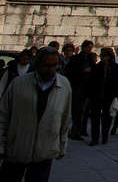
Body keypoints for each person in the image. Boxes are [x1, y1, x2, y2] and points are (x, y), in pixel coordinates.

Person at [0, 47, 71, 182]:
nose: (50, 69)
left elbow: (65, 118)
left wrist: (62, 145)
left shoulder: (64, 86)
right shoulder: (18, 84)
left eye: (54, 65)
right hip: (16, 149)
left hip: (44, 152)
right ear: (37, 64)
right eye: (46, 65)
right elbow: (3, 115)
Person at [85, 48, 118, 145]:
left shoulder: (115, 67)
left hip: (109, 95)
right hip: (96, 95)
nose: (102, 57)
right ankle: (95, 138)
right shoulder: (97, 67)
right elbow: (91, 82)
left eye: (104, 55)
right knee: (95, 117)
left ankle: (105, 136)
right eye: (101, 55)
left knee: (107, 117)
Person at [64, 40, 94, 140]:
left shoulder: (90, 58)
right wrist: (82, 71)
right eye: (88, 47)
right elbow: (69, 72)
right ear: (83, 47)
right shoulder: (76, 58)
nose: (90, 49)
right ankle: (74, 131)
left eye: (91, 47)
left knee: (84, 111)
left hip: (87, 88)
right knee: (76, 111)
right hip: (77, 87)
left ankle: (81, 130)